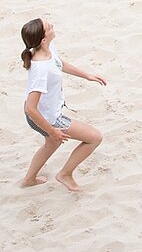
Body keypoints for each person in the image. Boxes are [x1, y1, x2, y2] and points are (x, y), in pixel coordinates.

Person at [19, 18, 106, 191]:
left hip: (45, 115)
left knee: (51, 144)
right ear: (43, 39)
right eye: (48, 27)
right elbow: (31, 107)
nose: (52, 25)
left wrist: (87, 76)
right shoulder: (40, 70)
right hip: (48, 119)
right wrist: (53, 131)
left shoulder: (47, 48)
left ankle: (28, 180)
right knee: (94, 138)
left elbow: (59, 64)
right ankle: (65, 174)